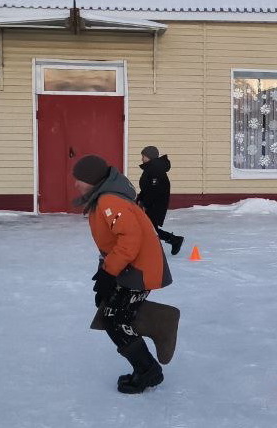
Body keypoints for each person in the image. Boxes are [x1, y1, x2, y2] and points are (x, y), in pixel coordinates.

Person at [73, 154, 173, 394]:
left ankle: (148, 369)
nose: (76, 184)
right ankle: (159, 328)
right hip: (130, 267)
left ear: (92, 180)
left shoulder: (109, 201)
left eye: (79, 179)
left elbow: (130, 240)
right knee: (113, 312)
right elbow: (111, 242)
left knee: (114, 319)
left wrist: (109, 273)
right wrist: (104, 272)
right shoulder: (104, 198)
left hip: (139, 269)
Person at [136, 146, 184, 255]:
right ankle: (173, 240)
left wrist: (145, 203)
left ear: (150, 157)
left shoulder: (155, 170)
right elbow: (146, 188)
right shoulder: (151, 168)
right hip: (151, 203)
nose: (142, 159)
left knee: (150, 229)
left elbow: (154, 190)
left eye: (143, 156)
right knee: (149, 228)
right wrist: (139, 199)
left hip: (155, 205)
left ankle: (173, 241)